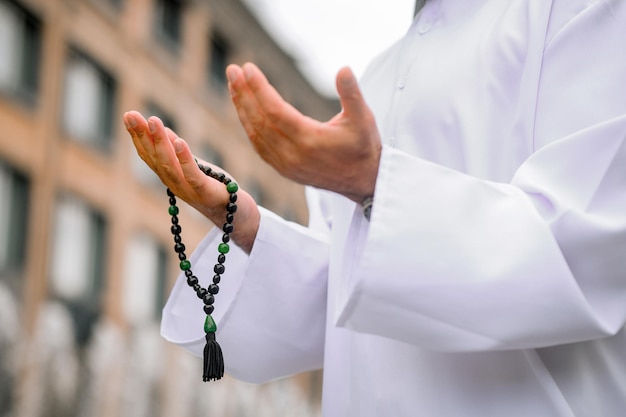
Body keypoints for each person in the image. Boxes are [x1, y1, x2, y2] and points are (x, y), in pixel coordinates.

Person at [123, 0, 626, 415]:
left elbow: (588, 248)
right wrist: (245, 221)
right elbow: (348, 294)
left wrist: (373, 182)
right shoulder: (375, 76)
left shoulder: (583, 10)